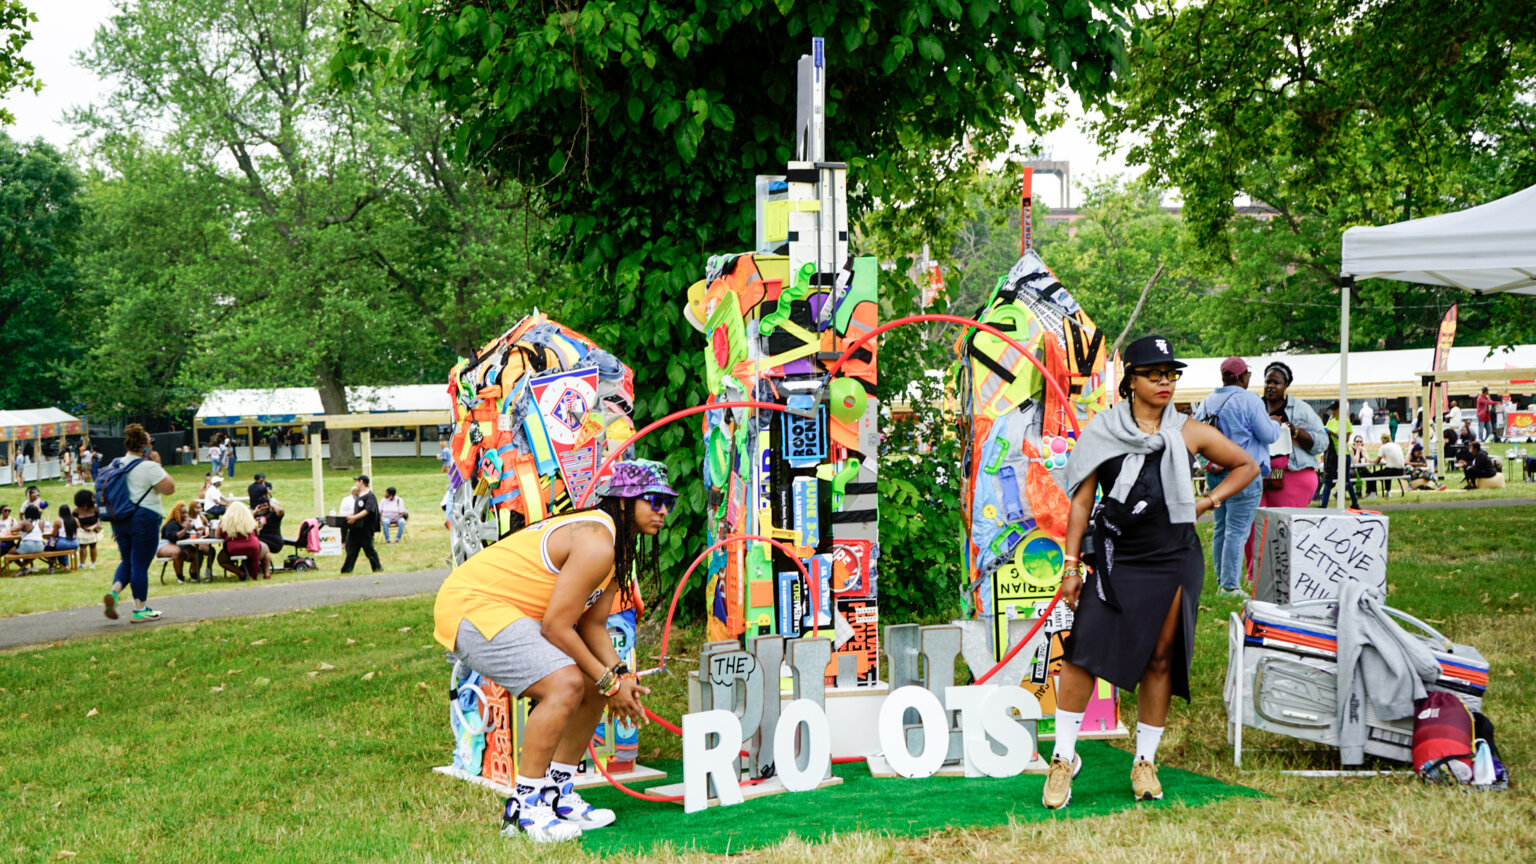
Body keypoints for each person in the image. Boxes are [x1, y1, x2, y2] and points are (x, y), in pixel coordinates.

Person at [1044, 335, 1257, 810]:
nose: (1165, 382)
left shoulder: (1188, 431)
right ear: (1131, 381)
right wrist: (1071, 566)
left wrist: (1206, 501)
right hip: (1118, 557)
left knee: (1160, 658)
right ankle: (1062, 759)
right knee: (1083, 652)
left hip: (1174, 557)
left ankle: (1144, 761)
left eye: (1171, 374)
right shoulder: (1103, 430)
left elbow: (1247, 464)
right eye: (1154, 374)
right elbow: (1081, 505)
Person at [433, 458, 673, 842]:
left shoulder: (615, 550)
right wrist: (610, 680)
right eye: (652, 500)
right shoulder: (597, 542)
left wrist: (619, 677)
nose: (662, 511)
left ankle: (556, 791)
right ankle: (524, 808)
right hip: (471, 606)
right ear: (624, 502)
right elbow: (557, 627)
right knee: (565, 683)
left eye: (668, 503)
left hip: (510, 612)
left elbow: (592, 626)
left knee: (592, 682)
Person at [1193, 356, 1278, 597]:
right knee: (1237, 530)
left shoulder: (1208, 401)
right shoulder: (1249, 400)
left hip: (1217, 480)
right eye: (1248, 375)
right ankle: (1229, 586)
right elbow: (1268, 435)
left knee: (1221, 526)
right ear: (1242, 377)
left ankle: (1223, 579)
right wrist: (1274, 424)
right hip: (1244, 480)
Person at [103, 424, 176, 623]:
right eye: (151, 443)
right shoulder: (149, 467)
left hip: (121, 518)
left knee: (127, 560)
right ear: (144, 446)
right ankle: (140, 609)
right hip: (145, 518)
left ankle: (115, 592)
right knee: (140, 565)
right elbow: (169, 488)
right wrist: (158, 464)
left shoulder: (116, 464)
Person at [1258, 362, 1328, 515]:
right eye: (1268, 381)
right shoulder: (1255, 407)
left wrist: (1296, 433)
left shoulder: (1300, 409)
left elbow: (1322, 442)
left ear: (1286, 385)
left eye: (1276, 382)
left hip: (1292, 475)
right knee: (1257, 526)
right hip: (1259, 476)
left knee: (1284, 528)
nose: (1271, 386)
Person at [1318, 403, 1360, 509]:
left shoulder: (1345, 422)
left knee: (1346, 480)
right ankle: (1324, 504)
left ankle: (1355, 502)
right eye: (1331, 410)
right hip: (1332, 454)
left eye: (1334, 410)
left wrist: (1332, 433)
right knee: (1328, 479)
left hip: (1343, 454)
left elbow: (1345, 439)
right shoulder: (1330, 422)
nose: (1332, 412)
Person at [217, 501, 271, 580]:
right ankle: (266, 573)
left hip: (233, 549)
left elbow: (217, 536)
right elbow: (257, 533)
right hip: (252, 547)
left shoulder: (225, 521)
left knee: (221, 559)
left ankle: (240, 573)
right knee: (266, 550)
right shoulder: (250, 520)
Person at [340, 475, 382, 574]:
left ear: (361, 481)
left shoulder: (370, 496)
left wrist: (354, 517)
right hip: (356, 528)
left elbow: (367, 510)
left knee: (369, 549)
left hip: (365, 528)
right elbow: (358, 511)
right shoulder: (360, 496)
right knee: (351, 549)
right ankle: (346, 570)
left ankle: (377, 568)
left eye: (357, 481)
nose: (356, 484)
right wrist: (349, 515)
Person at [157, 502, 201, 584]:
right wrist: (185, 530)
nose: (185, 515)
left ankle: (194, 576)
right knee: (178, 552)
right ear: (177, 513)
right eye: (182, 513)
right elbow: (173, 537)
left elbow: (193, 533)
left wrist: (197, 534)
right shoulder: (172, 523)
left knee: (197, 553)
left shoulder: (188, 523)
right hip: (166, 545)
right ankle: (180, 578)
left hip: (181, 545)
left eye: (186, 512)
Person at [1365, 433, 1406, 497]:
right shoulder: (1397, 445)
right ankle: (1388, 492)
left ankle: (1372, 494)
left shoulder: (1383, 447)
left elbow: (1377, 461)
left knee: (1371, 476)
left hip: (1391, 470)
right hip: (1401, 471)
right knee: (1386, 470)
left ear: (1383, 440)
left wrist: (1368, 460)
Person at [43, 504, 81, 573]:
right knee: (62, 548)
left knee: (51, 547)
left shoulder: (58, 521)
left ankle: (51, 566)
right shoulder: (75, 520)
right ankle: (65, 565)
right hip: (75, 543)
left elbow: (54, 535)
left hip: (63, 542)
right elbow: (78, 527)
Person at [73, 490, 102, 570]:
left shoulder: (95, 508)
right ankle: (82, 563)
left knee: (93, 546)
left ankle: (93, 563)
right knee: (82, 546)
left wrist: (99, 524)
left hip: (93, 529)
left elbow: (100, 517)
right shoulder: (76, 510)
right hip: (82, 530)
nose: (85, 506)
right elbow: (74, 519)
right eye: (83, 504)